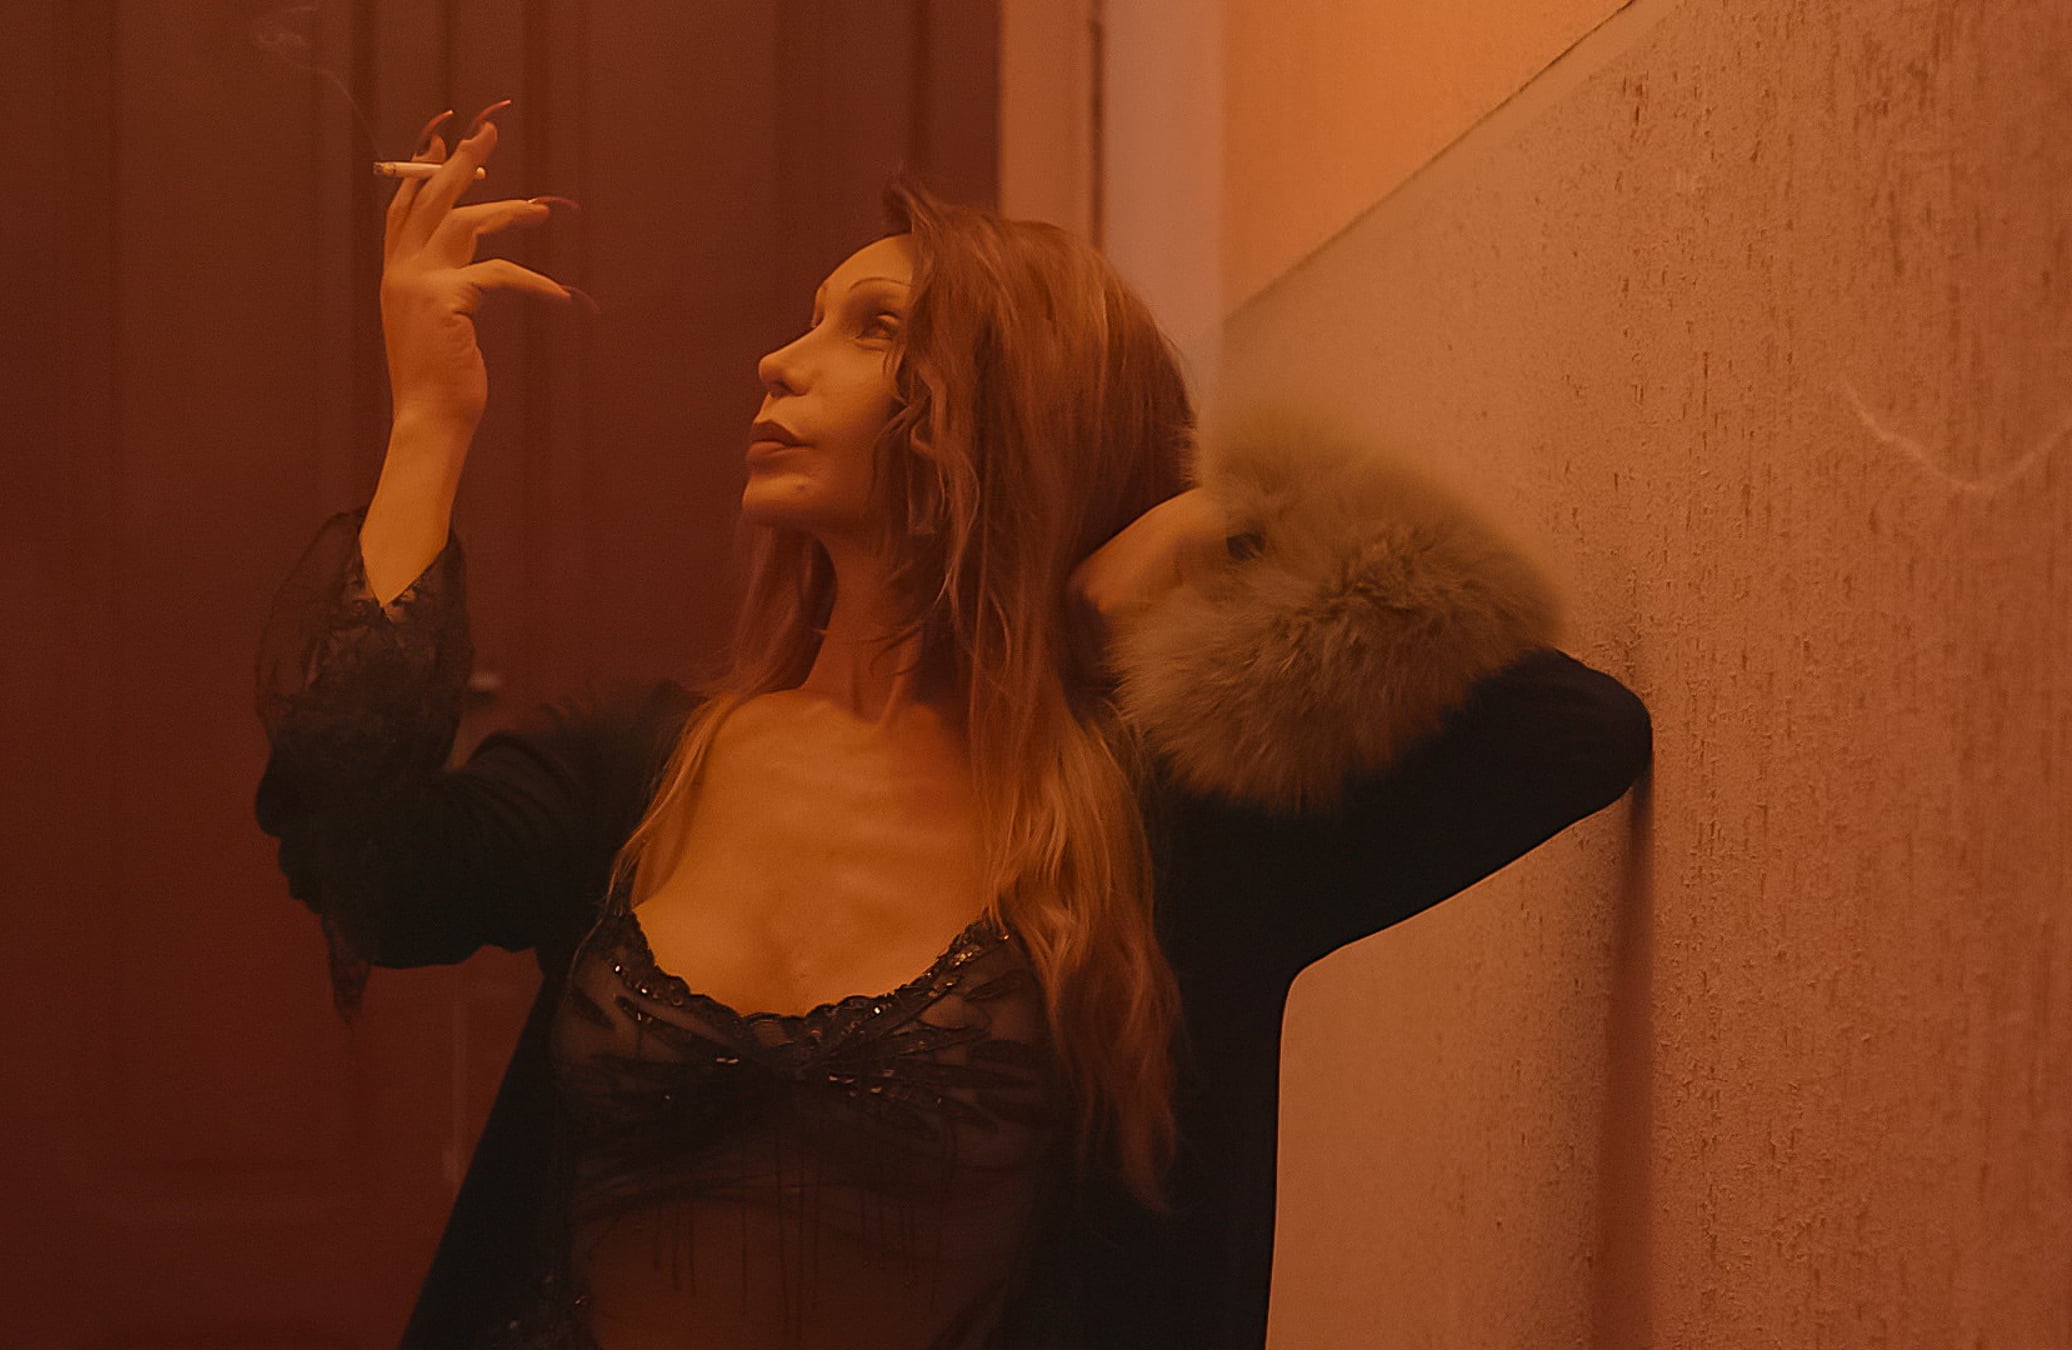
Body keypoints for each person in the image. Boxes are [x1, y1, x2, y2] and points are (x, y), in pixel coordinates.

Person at [252, 106, 1654, 1350]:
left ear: (1019, 409)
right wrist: (429, 422)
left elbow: (1572, 733)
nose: (778, 362)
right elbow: (367, 860)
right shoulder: (640, 767)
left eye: (869, 328)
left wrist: (1212, 534)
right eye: (812, 320)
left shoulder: (1164, 816)